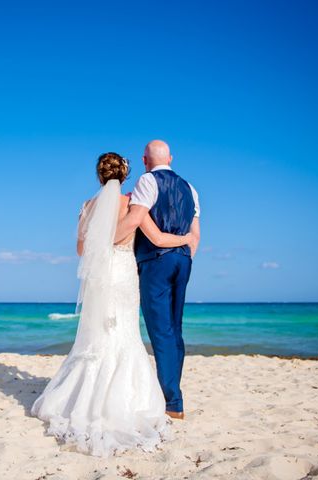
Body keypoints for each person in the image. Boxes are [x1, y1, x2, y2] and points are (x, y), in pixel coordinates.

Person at [30, 152, 193, 457]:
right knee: (125, 332)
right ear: (126, 173)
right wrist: (183, 238)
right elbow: (155, 237)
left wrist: (99, 240)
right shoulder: (133, 202)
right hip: (123, 272)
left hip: (99, 276)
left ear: (99, 175)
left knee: (96, 334)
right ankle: (125, 402)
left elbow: (81, 250)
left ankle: (80, 398)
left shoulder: (87, 206)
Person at [115, 140, 200, 419]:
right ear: (171, 158)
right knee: (175, 328)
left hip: (156, 261)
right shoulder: (191, 189)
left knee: (161, 330)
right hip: (183, 261)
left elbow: (134, 221)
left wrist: (102, 241)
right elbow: (195, 235)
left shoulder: (148, 181)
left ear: (144, 160)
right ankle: (174, 394)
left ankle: (173, 401)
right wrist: (185, 256)